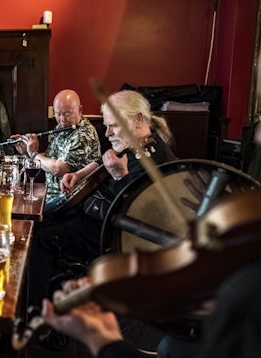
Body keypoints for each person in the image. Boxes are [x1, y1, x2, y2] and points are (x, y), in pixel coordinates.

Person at [42, 0, 261, 358]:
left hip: (120, 251)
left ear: (139, 123)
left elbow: (125, 215)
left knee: (47, 237)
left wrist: (105, 344)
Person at [27, 90, 176, 317]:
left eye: (113, 126)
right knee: (35, 221)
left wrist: (120, 178)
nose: (107, 133)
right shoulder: (136, 143)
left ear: (138, 120)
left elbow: (133, 219)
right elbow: (103, 158)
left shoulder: (158, 161)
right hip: (94, 219)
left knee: (41, 235)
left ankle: (37, 313)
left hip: (115, 238)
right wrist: (80, 174)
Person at [10, 89, 101, 204]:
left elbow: (59, 169)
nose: (62, 119)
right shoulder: (61, 128)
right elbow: (50, 159)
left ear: (80, 110)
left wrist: (34, 153)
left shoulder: (84, 134)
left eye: (67, 114)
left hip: (69, 201)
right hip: (50, 195)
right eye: (58, 114)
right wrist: (27, 151)